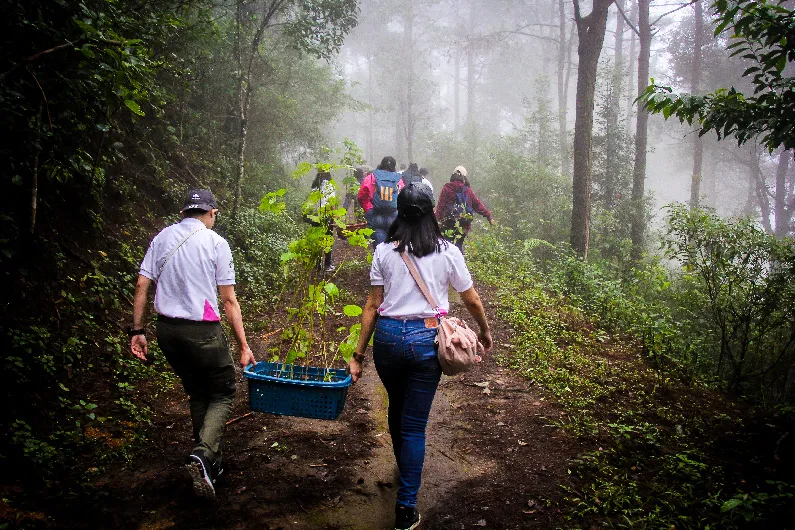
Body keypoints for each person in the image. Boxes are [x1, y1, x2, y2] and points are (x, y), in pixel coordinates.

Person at [348, 183, 493, 530]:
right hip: (426, 339)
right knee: (414, 425)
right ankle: (406, 508)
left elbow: (372, 305)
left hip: (387, 340)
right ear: (431, 212)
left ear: (399, 212)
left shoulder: (384, 251)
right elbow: (471, 299)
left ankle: (404, 465)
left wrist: (358, 354)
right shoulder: (447, 252)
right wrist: (484, 331)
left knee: (397, 410)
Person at [130, 188, 255, 501]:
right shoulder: (215, 243)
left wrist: (137, 330)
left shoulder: (162, 237)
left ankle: (211, 464)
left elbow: (142, 284)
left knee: (198, 392)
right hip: (203, 333)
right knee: (224, 391)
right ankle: (202, 453)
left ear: (185, 212)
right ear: (211, 213)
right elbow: (228, 300)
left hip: (167, 331)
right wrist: (243, 344)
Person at [435, 165, 493, 255]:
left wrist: (435, 222)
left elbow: (440, 206)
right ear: (464, 177)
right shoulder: (467, 190)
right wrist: (488, 216)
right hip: (463, 224)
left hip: (447, 223)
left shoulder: (447, 188)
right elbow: (477, 205)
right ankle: (459, 264)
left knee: (447, 247)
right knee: (458, 245)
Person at [357, 156, 404, 247]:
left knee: (379, 247)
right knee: (394, 246)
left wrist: (369, 209)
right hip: (394, 215)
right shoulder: (399, 179)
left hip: (375, 214)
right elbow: (404, 197)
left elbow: (361, 196)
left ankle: (380, 260)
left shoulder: (372, 177)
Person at [308, 170, 337, 272]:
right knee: (328, 240)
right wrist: (335, 217)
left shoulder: (315, 185)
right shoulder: (330, 185)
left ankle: (317, 264)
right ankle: (327, 264)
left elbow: (311, 202)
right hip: (326, 216)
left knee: (318, 240)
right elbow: (331, 202)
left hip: (316, 216)